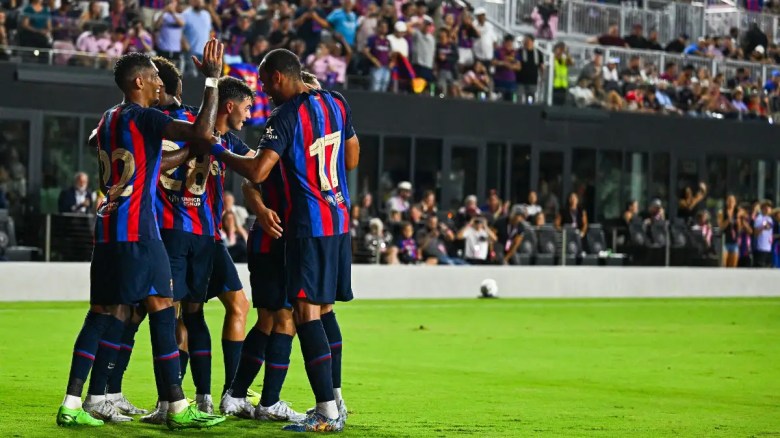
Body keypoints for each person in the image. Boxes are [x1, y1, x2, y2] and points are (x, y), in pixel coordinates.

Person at [56, 42, 226, 429]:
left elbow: (130, 154)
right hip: (140, 231)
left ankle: (72, 403)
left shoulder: (108, 117)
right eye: (152, 77)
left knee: (101, 314)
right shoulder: (144, 118)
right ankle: (179, 409)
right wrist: (212, 79)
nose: (157, 84)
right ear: (137, 81)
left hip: (109, 228)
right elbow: (202, 133)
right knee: (165, 309)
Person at [210, 48, 360, 432]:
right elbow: (353, 157)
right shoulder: (336, 102)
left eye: (264, 84)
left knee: (303, 314)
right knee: (317, 312)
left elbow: (257, 170)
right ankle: (333, 401)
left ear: (277, 78)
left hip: (307, 225)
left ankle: (326, 410)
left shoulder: (286, 116)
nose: (263, 93)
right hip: (338, 218)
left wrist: (215, 149)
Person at [718, 194, 739, 267]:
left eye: (732, 201)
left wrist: (739, 222)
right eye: (729, 201)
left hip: (734, 241)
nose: (731, 203)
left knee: (733, 265)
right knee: (723, 264)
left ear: (735, 203)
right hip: (725, 241)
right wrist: (728, 220)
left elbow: (740, 229)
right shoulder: (722, 212)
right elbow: (720, 226)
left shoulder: (738, 213)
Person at [753, 200, 774, 268]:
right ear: (762, 208)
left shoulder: (770, 219)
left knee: (768, 267)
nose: (768, 209)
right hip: (761, 248)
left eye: (769, 207)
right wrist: (763, 227)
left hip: (769, 248)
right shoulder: (759, 218)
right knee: (760, 267)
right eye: (766, 207)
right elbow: (755, 233)